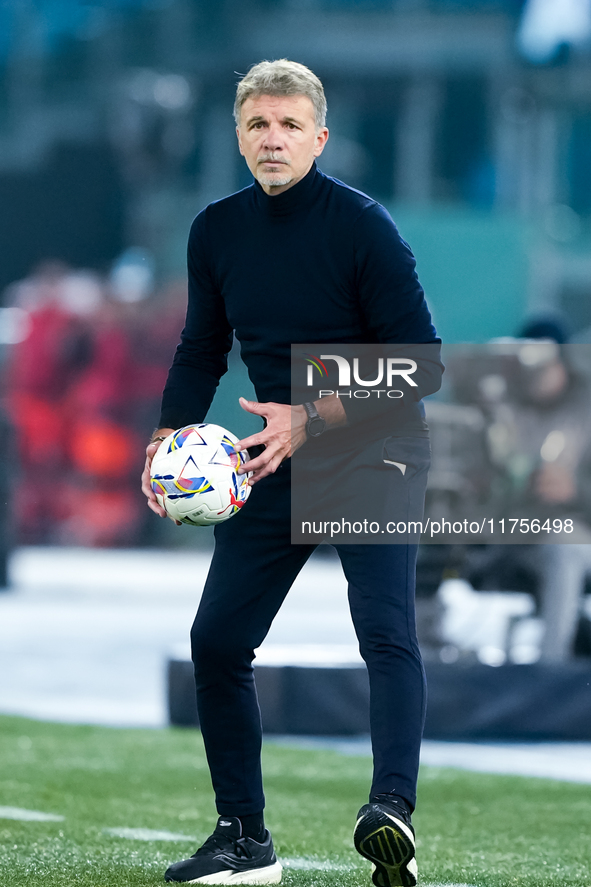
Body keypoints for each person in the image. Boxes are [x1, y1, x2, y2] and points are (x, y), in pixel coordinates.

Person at [141, 59, 442, 887]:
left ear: (319, 136)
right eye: (256, 125)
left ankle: (390, 813)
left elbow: (421, 365)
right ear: (239, 138)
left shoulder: (362, 226)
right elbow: (201, 346)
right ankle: (244, 839)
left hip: (372, 447)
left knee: (384, 632)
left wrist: (311, 415)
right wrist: (164, 438)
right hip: (271, 454)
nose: (271, 139)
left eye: (286, 125)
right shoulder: (215, 229)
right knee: (216, 640)